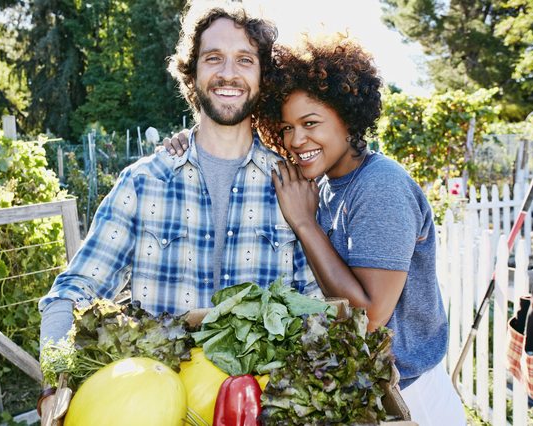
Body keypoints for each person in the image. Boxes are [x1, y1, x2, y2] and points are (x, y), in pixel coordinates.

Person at [36, 3, 319, 422]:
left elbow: (316, 310)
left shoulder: (292, 188)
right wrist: (55, 380)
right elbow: (72, 292)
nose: (228, 73)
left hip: (254, 413)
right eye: (213, 59)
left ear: (263, 78)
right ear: (192, 73)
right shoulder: (143, 182)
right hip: (149, 411)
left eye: (245, 60)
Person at [165, 34, 466, 425]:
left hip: (413, 398)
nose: (296, 140)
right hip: (369, 393)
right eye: (287, 127)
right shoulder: (322, 183)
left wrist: (305, 223)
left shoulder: (381, 187)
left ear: (348, 117)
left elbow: (370, 318)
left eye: (310, 123)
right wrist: (187, 140)